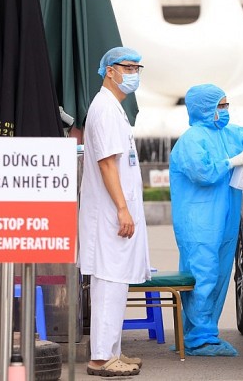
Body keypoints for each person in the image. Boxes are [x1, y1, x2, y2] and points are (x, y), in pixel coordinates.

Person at [169, 83, 243, 356]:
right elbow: (203, 173)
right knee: (203, 277)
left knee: (220, 277)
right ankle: (198, 338)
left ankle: (205, 333)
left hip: (224, 223)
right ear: (205, 108)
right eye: (220, 106)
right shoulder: (191, 139)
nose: (225, 111)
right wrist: (230, 163)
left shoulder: (230, 134)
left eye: (226, 105)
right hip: (198, 224)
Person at [78, 47, 151, 377]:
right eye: (128, 67)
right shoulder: (105, 110)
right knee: (110, 284)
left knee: (116, 283)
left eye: (138, 67)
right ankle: (101, 359)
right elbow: (107, 163)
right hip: (109, 214)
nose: (134, 73)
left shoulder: (113, 108)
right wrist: (122, 208)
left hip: (114, 212)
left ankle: (112, 352)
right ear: (110, 70)